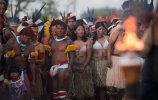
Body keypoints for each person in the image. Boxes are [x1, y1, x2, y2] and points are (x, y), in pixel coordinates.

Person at [4, 27, 36, 99]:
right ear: (23, 35)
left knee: (28, 92)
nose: (29, 40)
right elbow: (3, 56)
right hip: (10, 70)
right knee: (8, 92)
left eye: (30, 39)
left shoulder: (31, 46)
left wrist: (33, 79)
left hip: (22, 70)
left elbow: (32, 64)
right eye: (28, 38)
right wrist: (8, 55)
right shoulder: (11, 42)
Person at [49, 20, 74, 99]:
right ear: (55, 29)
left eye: (62, 28)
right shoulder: (51, 40)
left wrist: (69, 68)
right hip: (53, 67)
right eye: (58, 28)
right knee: (54, 91)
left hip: (64, 67)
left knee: (62, 90)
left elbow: (72, 56)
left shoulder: (68, 41)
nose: (59, 30)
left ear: (65, 30)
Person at [70, 24, 94, 100]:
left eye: (82, 29)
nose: (81, 31)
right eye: (79, 29)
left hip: (85, 67)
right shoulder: (71, 42)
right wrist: (73, 67)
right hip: (75, 68)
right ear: (75, 31)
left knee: (86, 91)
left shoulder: (87, 41)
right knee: (77, 93)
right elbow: (70, 57)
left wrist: (84, 66)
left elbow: (89, 56)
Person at [91, 21, 109, 100]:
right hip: (95, 64)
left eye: (102, 29)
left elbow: (111, 51)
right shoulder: (92, 40)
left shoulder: (108, 38)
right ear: (96, 30)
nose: (101, 31)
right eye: (99, 29)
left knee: (104, 86)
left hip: (106, 64)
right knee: (95, 86)